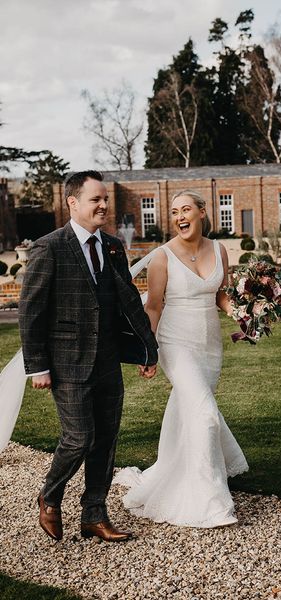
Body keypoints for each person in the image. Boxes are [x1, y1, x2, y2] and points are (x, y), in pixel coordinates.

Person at [18, 170, 158, 542]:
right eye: (95, 199)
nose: (103, 205)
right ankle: (49, 495)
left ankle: (94, 514)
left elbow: (128, 299)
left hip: (108, 362)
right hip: (66, 364)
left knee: (106, 439)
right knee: (79, 438)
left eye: (105, 199)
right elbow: (31, 310)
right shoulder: (49, 247)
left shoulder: (112, 246)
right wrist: (38, 366)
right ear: (73, 202)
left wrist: (148, 348)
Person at [113, 190, 249, 528]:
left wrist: (243, 314)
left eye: (186, 209)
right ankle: (211, 501)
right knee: (205, 416)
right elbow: (154, 306)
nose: (179, 217)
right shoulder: (162, 256)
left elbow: (220, 294)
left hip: (210, 346)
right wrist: (148, 349)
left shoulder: (219, 250)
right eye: (174, 212)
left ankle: (172, 471)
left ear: (202, 212)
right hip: (175, 343)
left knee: (188, 412)